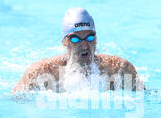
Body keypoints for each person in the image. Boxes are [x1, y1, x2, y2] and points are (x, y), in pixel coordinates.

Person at [12, 7, 143, 93]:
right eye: (75, 39)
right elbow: (15, 101)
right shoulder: (41, 72)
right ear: (64, 42)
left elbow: (145, 99)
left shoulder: (119, 69)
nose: (85, 45)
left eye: (90, 37)